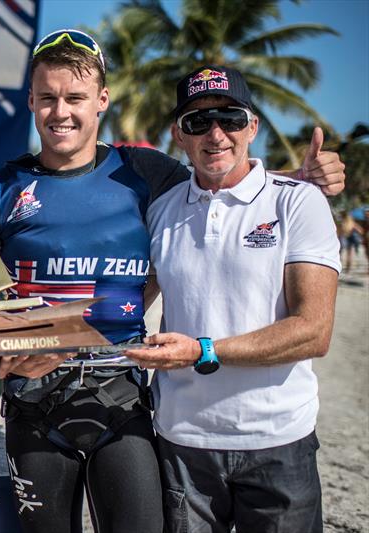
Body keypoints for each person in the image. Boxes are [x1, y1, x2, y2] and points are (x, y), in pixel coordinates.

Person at [0, 31, 345, 533]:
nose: (62, 112)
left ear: (101, 101)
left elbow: (225, 174)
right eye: (49, 97)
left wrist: (298, 178)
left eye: (76, 97)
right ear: (31, 100)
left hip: (124, 404)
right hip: (35, 404)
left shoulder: (144, 172)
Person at [126, 65, 341, 533]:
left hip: (279, 440)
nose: (216, 133)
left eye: (230, 117)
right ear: (178, 136)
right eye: (197, 122)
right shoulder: (162, 212)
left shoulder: (298, 202)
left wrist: (204, 350)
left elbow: (313, 331)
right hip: (182, 442)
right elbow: (126, 302)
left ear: (252, 127)